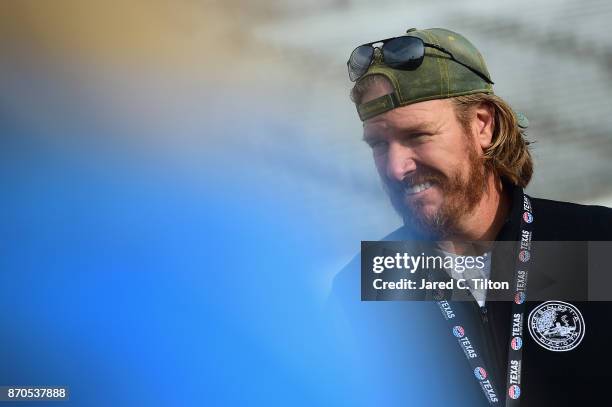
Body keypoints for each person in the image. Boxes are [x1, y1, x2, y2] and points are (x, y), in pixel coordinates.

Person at [330, 27, 612, 406]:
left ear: (483, 125)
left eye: (417, 136)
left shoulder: (595, 243)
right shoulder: (366, 283)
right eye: (379, 144)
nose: (396, 167)